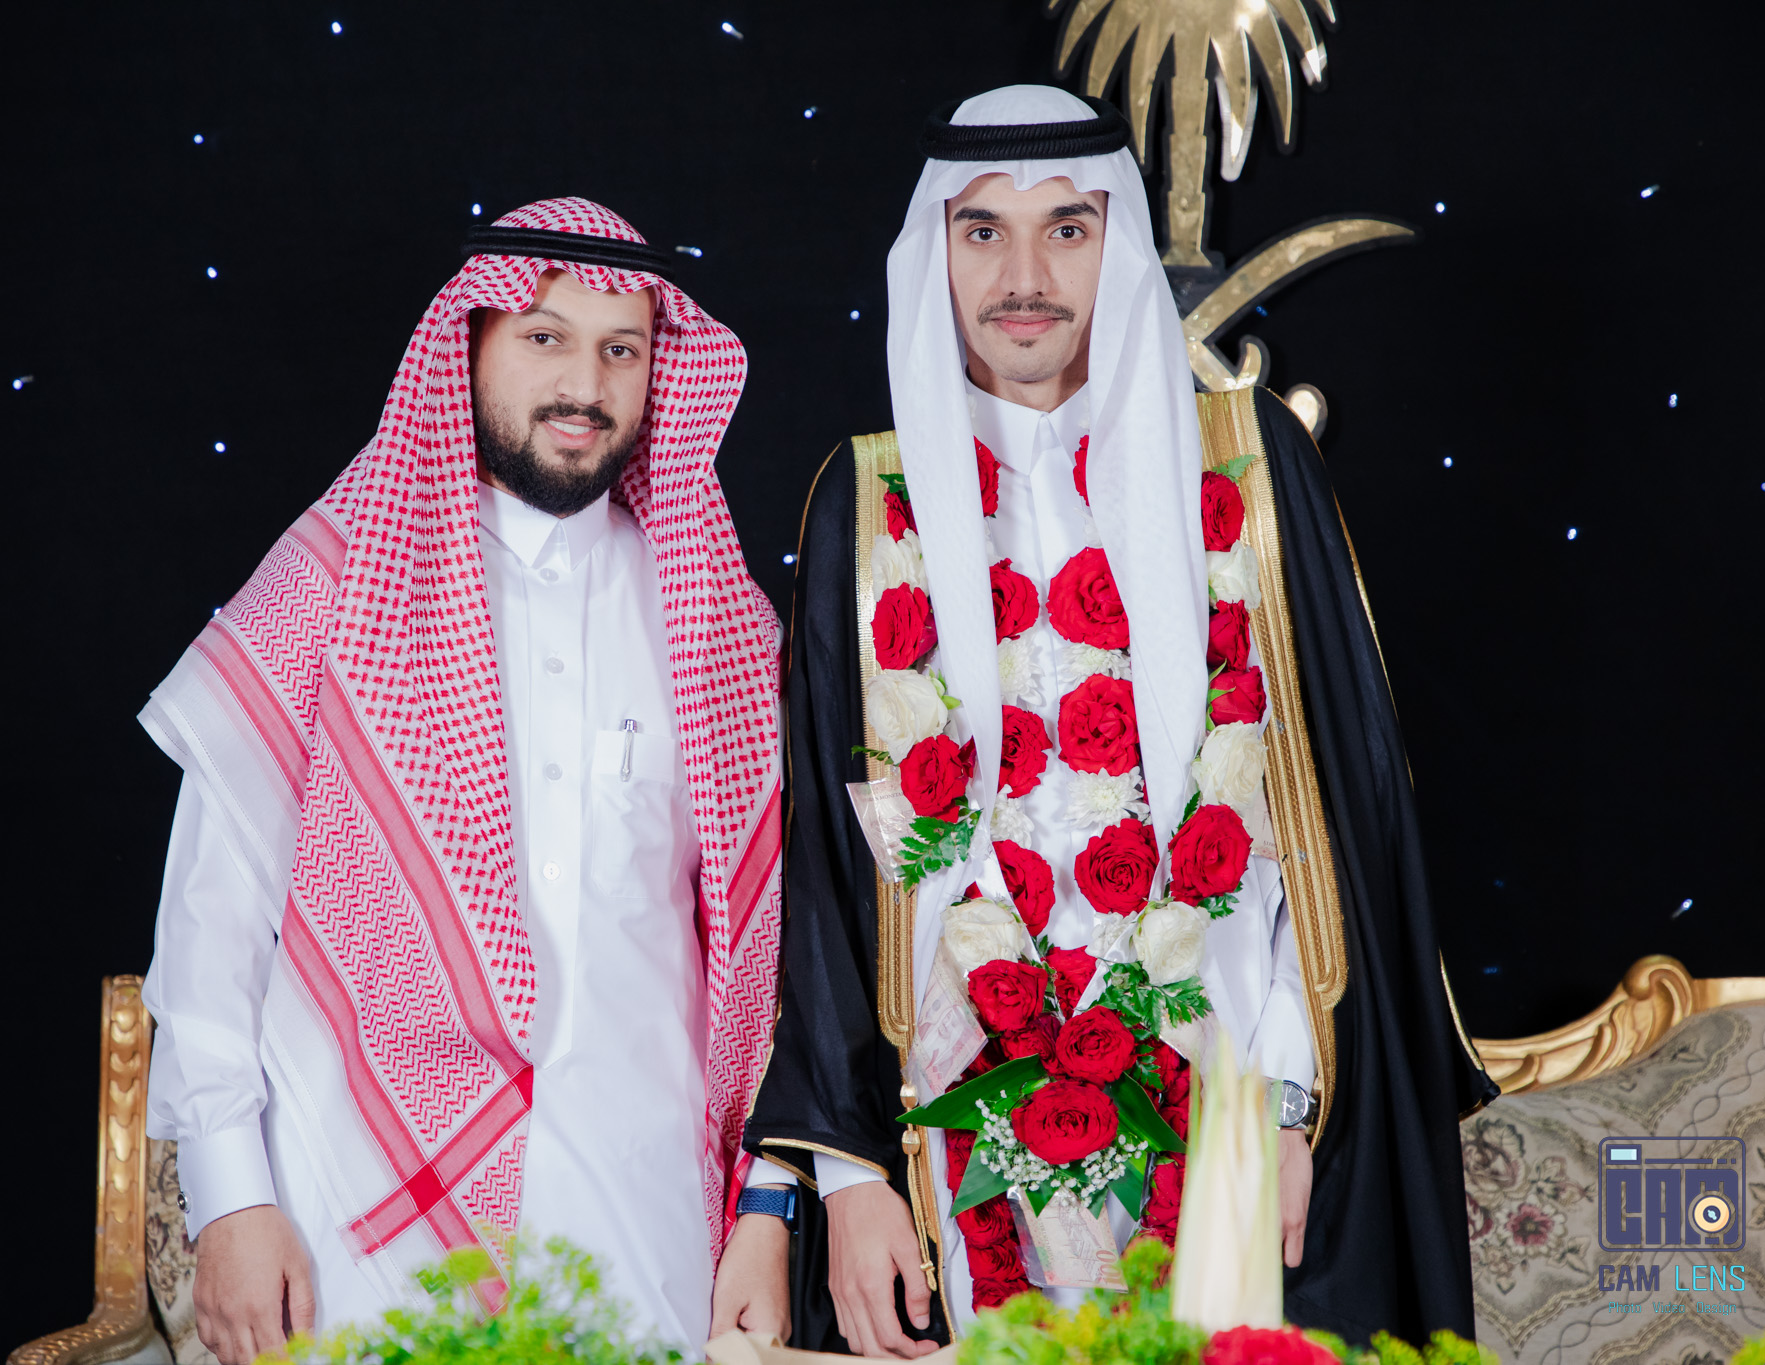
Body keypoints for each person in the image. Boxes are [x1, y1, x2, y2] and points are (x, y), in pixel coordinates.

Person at [742, 87, 1495, 1353]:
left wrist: (1289, 1111)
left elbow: (1325, 816)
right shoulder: (867, 504)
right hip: (954, 1135)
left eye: (1066, 229)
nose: (1022, 278)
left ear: (1119, 244)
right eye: (981, 231)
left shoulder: (1247, 467)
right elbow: (820, 864)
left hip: (1228, 1107)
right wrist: (848, 1174)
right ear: (934, 251)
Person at [139, 198, 795, 1364]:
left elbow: (772, 961)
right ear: (470, 345)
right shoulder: (337, 582)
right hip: (360, 1213)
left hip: (642, 1215)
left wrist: (766, 1208)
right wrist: (231, 1198)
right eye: (544, 338)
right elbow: (213, 920)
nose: (584, 385)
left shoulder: (721, 625)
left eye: (621, 349)